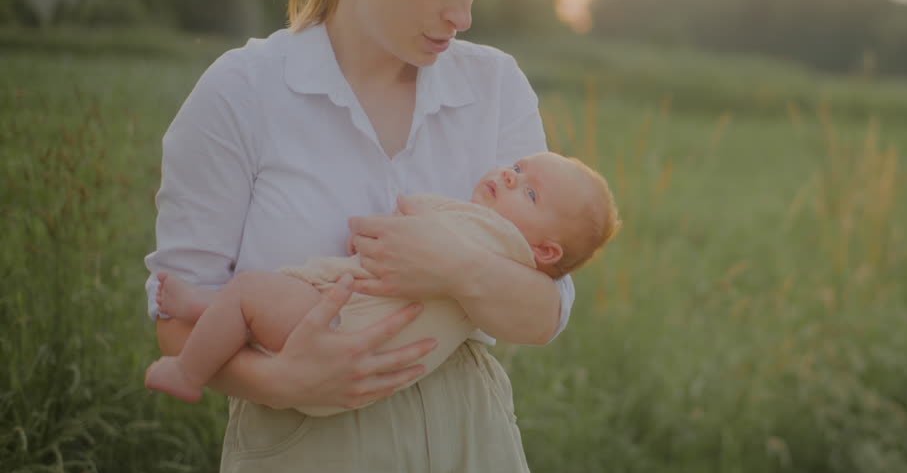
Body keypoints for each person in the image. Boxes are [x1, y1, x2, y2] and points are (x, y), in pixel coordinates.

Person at [145, 0, 577, 473]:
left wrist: (451, 268)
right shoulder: (242, 92)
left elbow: (546, 311)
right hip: (309, 459)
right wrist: (282, 381)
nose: (463, 13)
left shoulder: (496, 88)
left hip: (476, 455)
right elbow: (174, 315)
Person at [144, 152, 620, 416]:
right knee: (254, 310)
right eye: (516, 169)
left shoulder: (479, 228)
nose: (509, 177)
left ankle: (188, 372)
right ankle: (205, 305)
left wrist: (380, 229)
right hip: (345, 362)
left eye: (529, 191)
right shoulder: (514, 266)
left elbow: (380, 230)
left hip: (340, 329)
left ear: (546, 252)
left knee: (249, 295)